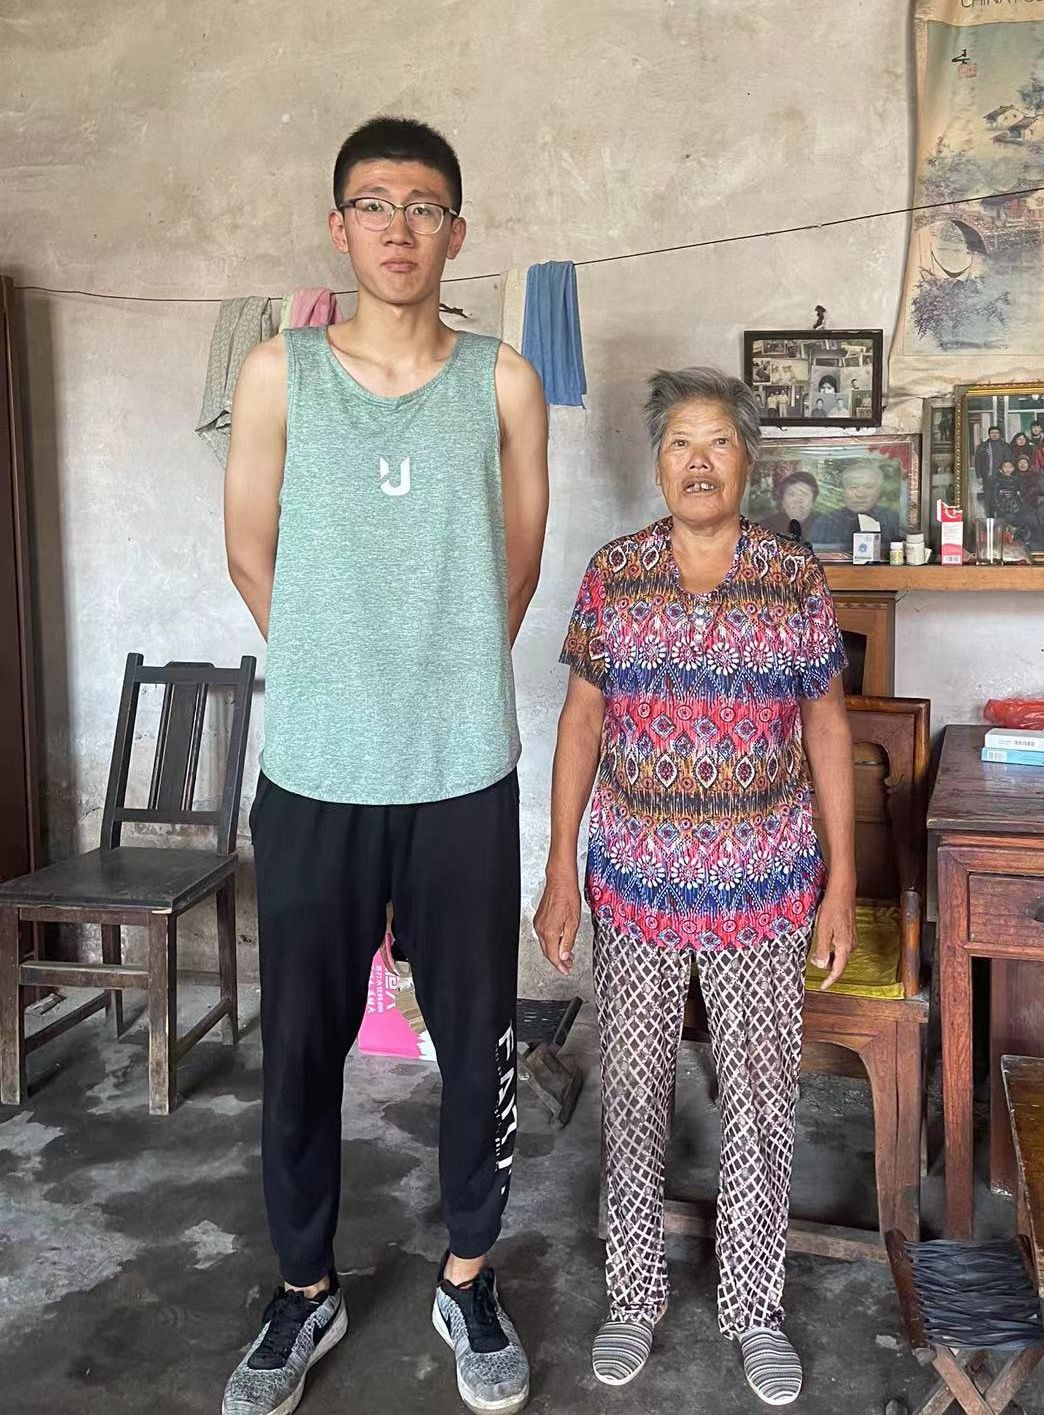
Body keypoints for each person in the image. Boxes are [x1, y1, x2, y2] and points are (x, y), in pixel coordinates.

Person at [222, 116, 549, 1415]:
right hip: (316, 768)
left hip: (462, 768)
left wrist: (439, 681)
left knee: (477, 1035)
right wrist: (339, 679)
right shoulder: (278, 373)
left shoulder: (504, 382)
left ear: (456, 231)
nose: (398, 225)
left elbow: (517, 561)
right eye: (374, 202)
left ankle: (469, 1272)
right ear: (339, 226)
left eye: (423, 205)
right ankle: (304, 1285)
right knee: (302, 1042)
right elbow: (251, 550)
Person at [534, 367, 856, 1406]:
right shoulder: (615, 574)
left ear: (748, 460)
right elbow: (582, 721)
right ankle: (633, 1292)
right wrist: (559, 867)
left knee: (762, 1096)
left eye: (718, 441)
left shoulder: (792, 577)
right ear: (658, 461)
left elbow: (827, 726)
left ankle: (755, 1306)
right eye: (681, 442)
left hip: (764, 884)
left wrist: (842, 881)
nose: (700, 461)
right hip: (636, 883)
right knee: (632, 1091)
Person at [810, 459, 902, 547]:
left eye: (869, 487)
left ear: (879, 491)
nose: (861, 494)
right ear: (843, 491)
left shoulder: (892, 521)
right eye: (854, 487)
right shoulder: (825, 523)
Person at [760, 469, 820, 539]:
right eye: (792, 494)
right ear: (782, 500)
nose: (798, 500)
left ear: (813, 500)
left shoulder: (825, 525)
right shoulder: (764, 527)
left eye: (804, 494)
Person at [974, 424, 1011, 491]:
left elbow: (1009, 461)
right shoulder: (983, 446)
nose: (994, 435)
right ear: (989, 434)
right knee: (988, 495)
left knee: (1001, 495)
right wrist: (979, 476)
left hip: (1002, 477)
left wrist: (1008, 474)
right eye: (992, 433)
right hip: (987, 477)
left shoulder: (1005, 446)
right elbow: (978, 462)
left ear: (999, 434)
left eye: (997, 433)